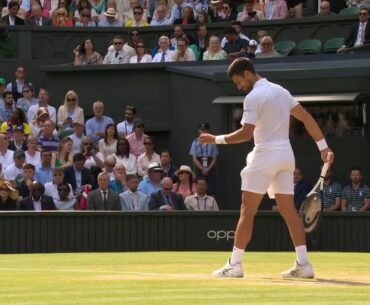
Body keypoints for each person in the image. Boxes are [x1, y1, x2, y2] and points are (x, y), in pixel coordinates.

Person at [199, 58, 334, 278]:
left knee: (247, 211)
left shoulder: (253, 97)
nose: (238, 86)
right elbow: (306, 118)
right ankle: (303, 264)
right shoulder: (281, 91)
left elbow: (245, 134)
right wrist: (323, 147)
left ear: (248, 74)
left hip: (264, 156)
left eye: (238, 81)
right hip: (285, 157)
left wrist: (216, 139)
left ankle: (234, 264)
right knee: (288, 211)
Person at [189, 122, 219, 195]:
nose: (203, 132)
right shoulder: (195, 142)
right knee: (198, 187)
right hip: (198, 166)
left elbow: (215, 158)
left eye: (205, 130)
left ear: (208, 131)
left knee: (211, 189)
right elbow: (194, 158)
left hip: (210, 166)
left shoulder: (212, 141)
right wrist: (202, 168)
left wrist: (208, 168)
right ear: (199, 131)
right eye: (201, 130)